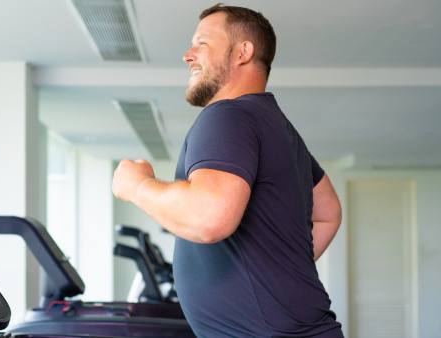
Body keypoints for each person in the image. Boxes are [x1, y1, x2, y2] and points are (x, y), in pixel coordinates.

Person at [112, 3, 343, 338]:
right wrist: (280, 269)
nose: (187, 55)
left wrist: (136, 186)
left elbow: (208, 218)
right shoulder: (279, 129)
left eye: (202, 43)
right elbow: (328, 212)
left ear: (242, 52)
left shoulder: (228, 116)